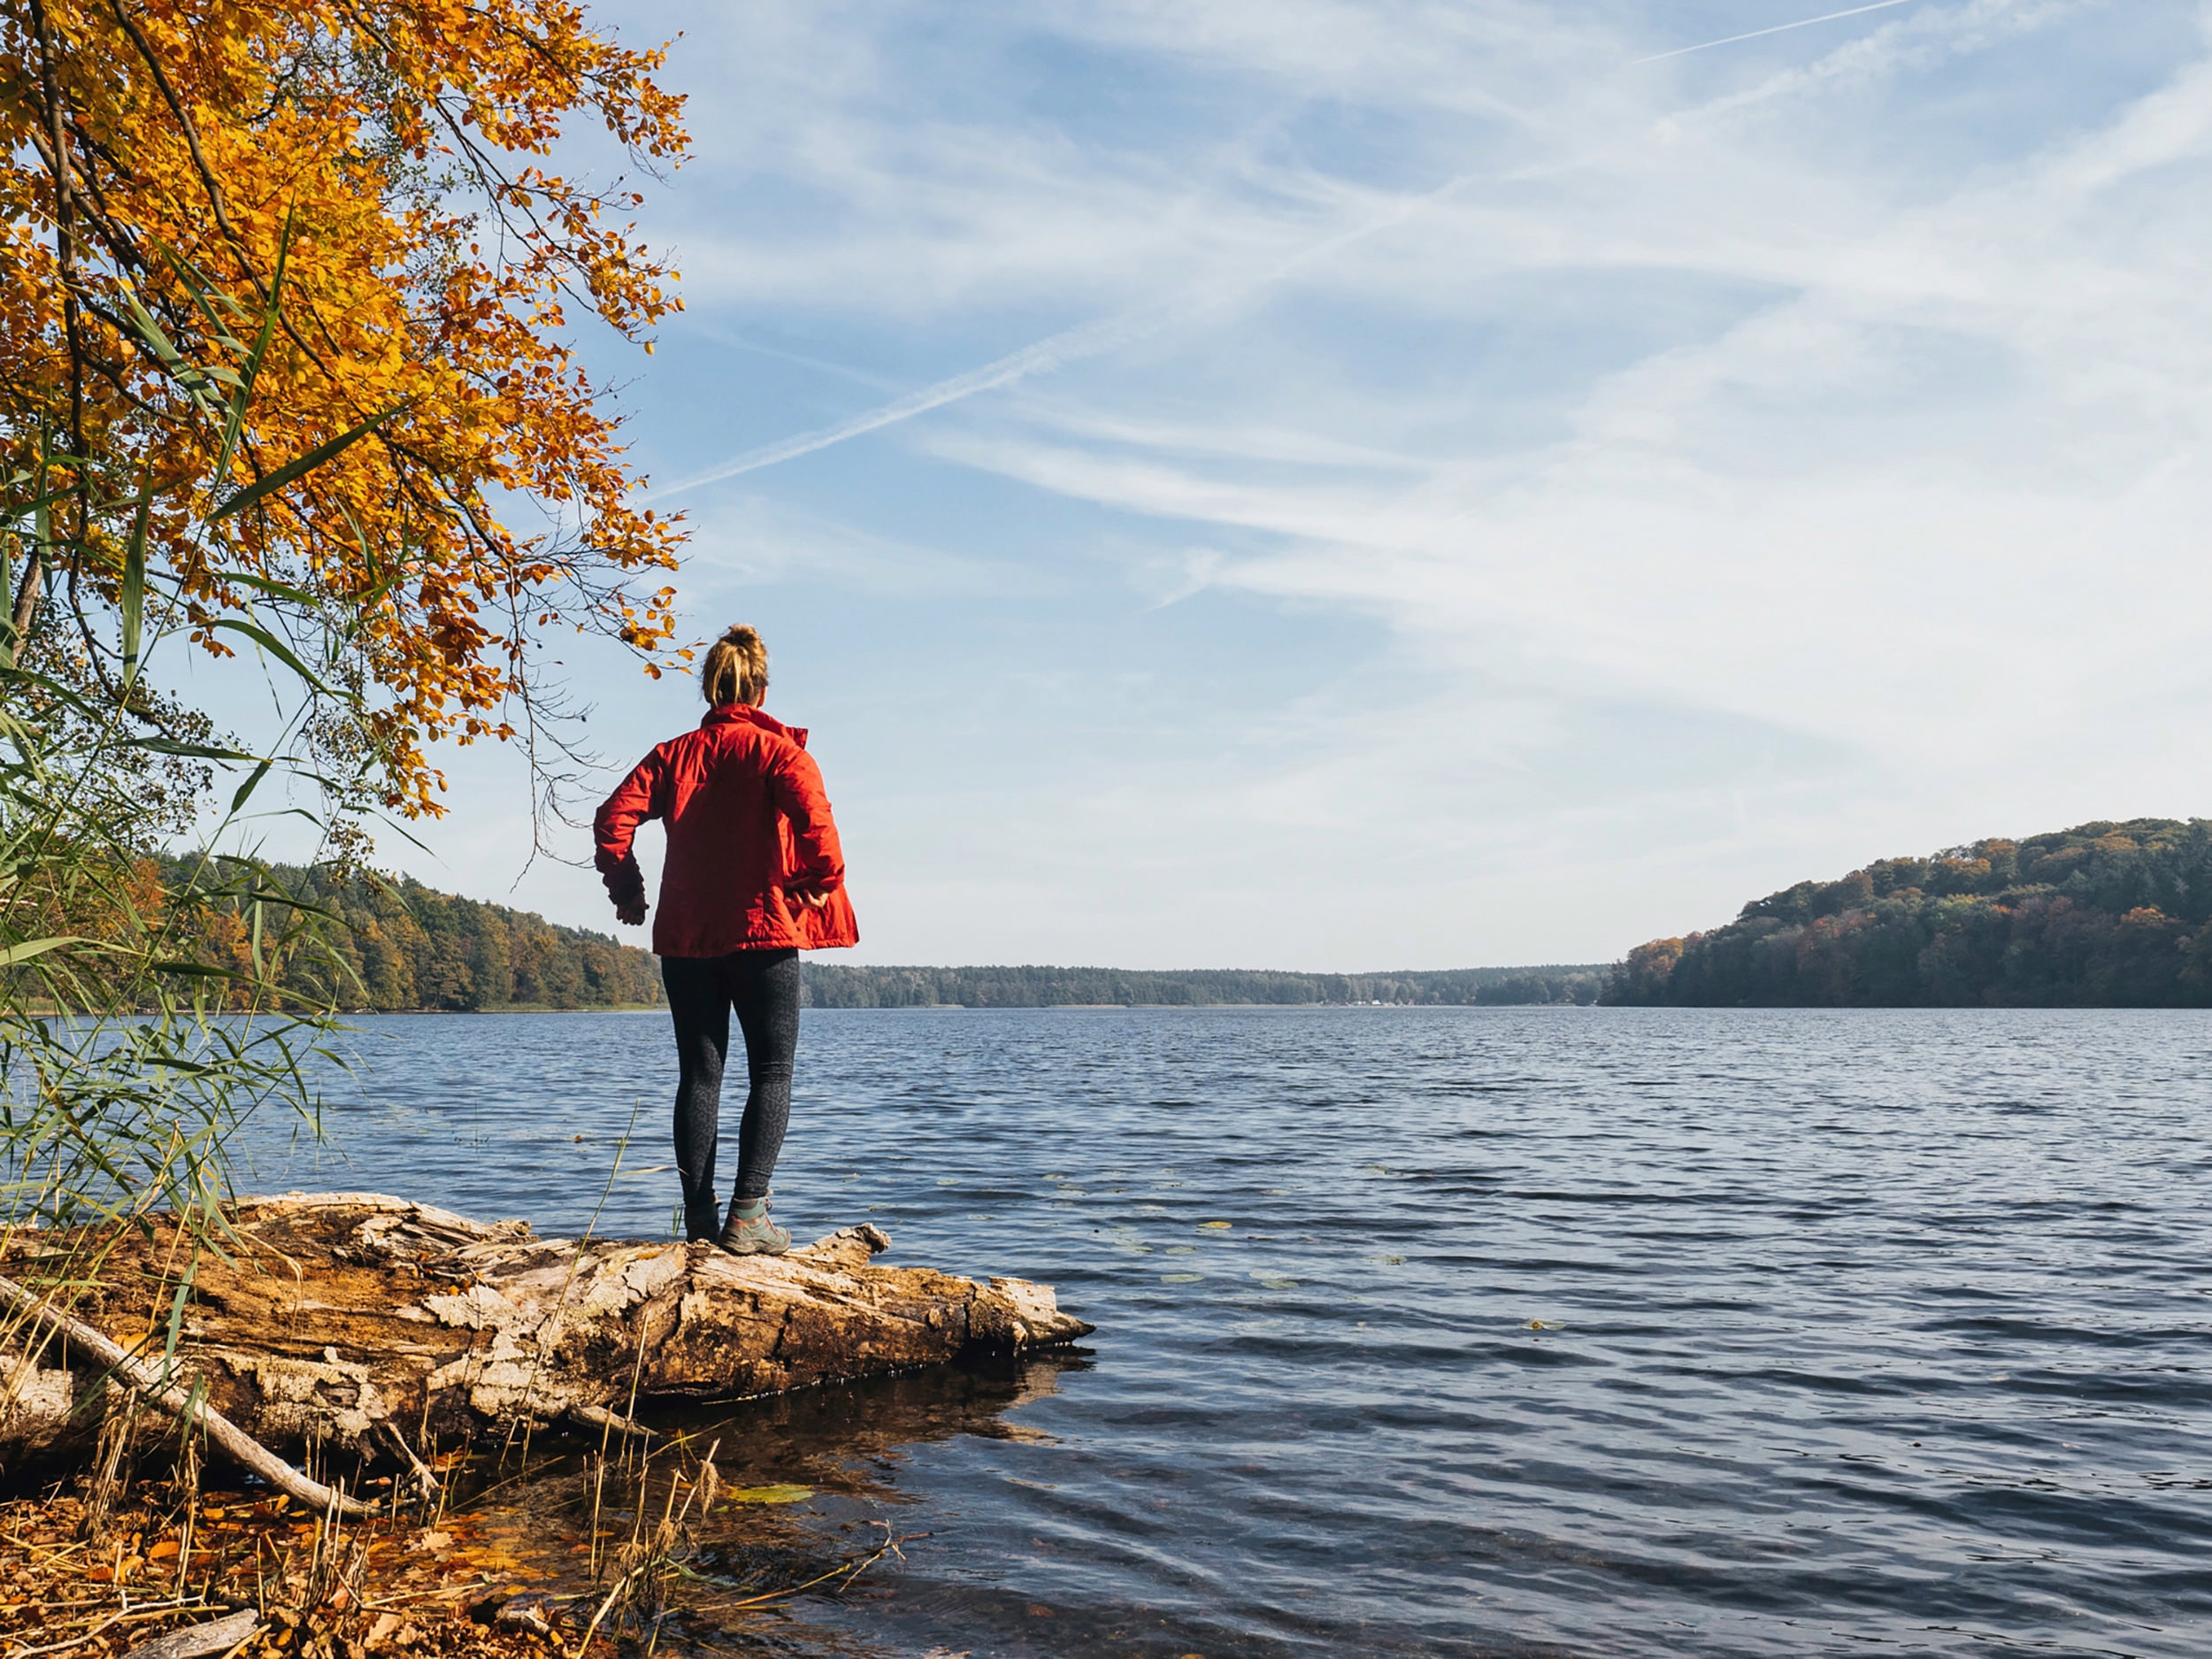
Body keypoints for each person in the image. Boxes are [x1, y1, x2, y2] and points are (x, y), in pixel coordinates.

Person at [594, 626, 858, 1254]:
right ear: (761, 688)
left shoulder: (673, 756)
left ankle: (701, 1221)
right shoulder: (779, 754)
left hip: (687, 938)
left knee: (699, 1075)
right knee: (772, 1070)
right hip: (762, 932)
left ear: (709, 688)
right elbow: (817, 824)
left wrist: (628, 890)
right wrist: (823, 879)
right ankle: (749, 1214)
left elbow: (612, 820)